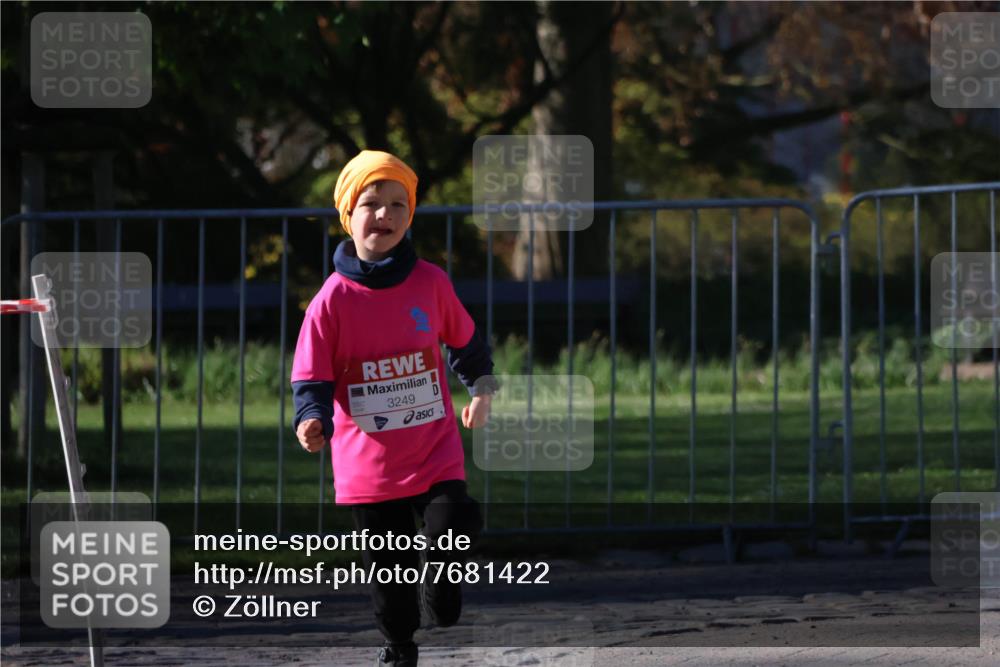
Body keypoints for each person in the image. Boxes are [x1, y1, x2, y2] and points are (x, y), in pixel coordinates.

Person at [290, 150, 497, 667]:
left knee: (455, 520)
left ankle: (442, 583)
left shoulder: (431, 282)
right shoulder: (331, 300)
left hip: (434, 450)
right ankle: (399, 646)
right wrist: (311, 418)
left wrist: (482, 390)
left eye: (398, 204)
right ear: (348, 214)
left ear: (410, 216)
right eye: (371, 203)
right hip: (369, 464)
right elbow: (311, 375)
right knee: (390, 572)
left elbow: (465, 343)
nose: (384, 214)